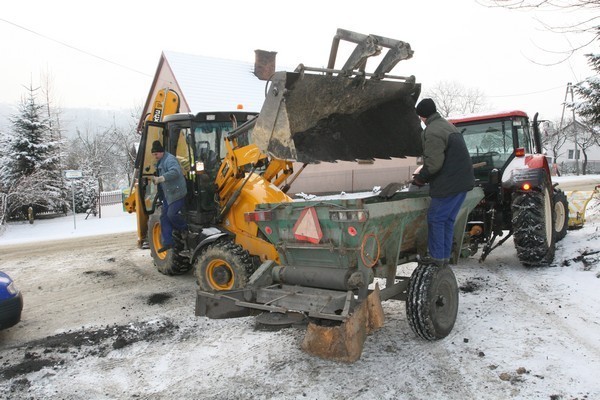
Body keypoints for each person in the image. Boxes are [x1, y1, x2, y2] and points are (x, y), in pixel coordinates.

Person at [412, 98, 474, 267]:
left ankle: (437, 258)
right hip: (462, 183)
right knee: (447, 220)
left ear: (422, 116)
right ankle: (443, 258)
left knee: (436, 219)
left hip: (449, 185)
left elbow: (434, 163)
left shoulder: (431, 131)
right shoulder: (447, 125)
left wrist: (420, 177)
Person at [150, 140, 188, 253]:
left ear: (161, 152)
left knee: (171, 214)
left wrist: (161, 178)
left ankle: (185, 229)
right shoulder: (161, 161)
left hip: (177, 193)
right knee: (164, 217)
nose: (155, 156)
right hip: (168, 194)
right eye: (153, 154)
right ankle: (168, 242)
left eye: (156, 154)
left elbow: (175, 172)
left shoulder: (170, 159)